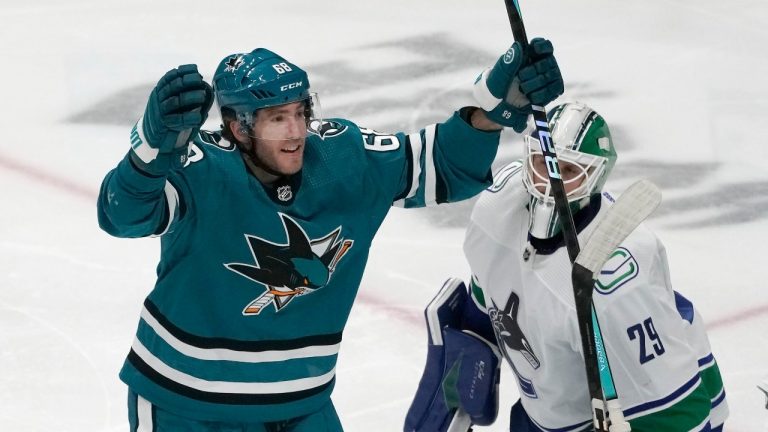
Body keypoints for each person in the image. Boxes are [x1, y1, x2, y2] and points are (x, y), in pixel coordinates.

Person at [97, 39, 564, 431]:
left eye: (301, 112)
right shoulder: (199, 167)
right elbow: (123, 216)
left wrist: (495, 112)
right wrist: (149, 154)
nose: (297, 131)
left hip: (301, 404)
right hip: (189, 405)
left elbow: (442, 163)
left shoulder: (343, 157)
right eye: (277, 118)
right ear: (239, 126)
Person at [405, 102, 728, 432]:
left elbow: (679, 414)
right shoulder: (498, 209)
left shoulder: (617, 286)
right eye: (542, 162)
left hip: (660, 405)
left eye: (568, 170)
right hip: (548, 413)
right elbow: (487, 303)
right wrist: (465, 367)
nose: (550, 181)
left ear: (595, 177)